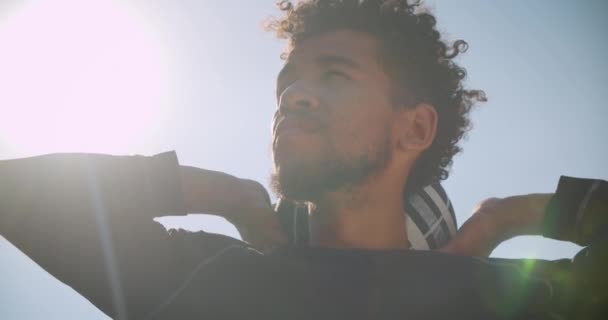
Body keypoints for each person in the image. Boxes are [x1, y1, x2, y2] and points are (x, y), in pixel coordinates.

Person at [0, 0, 585, 319]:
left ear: (416, 127)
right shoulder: (210, 276)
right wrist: (229, 195)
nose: (292, 96)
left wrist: (510, 215)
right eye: (289, 81)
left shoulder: (505, 296)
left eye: (335, 74)